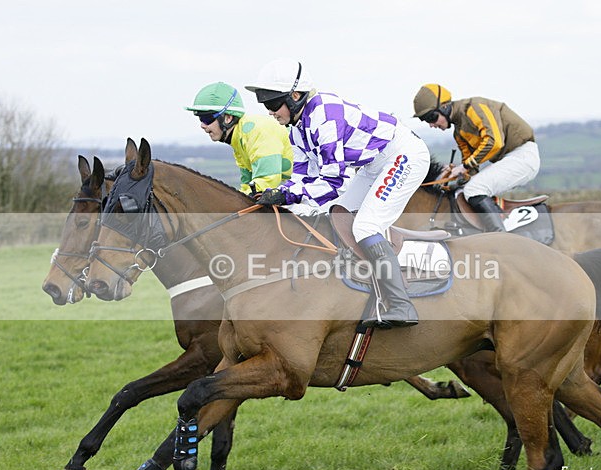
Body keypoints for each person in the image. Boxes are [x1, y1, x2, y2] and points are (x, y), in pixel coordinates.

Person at [245, 59, 430, 328]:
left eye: (273, 104)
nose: (270, 112)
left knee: (366, 226)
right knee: (337, 214)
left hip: (402, 155)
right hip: (371, 165)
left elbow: (333, 182)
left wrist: (289, 195)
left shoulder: (324, 116)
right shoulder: (296, 129)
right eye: (265, 105)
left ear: (295, 97)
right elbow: (301, 178)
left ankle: (402, 306)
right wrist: (276, 193)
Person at [413, 84, 540, 233]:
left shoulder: (474, 107)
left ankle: (502, 238)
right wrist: (454, 175)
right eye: (425, 120)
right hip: (508, 160)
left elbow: (495, 141)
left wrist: (464, 166)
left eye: (432, 117)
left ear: (445, 107)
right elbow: (471, 170)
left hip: (523, 156)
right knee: (465, 189)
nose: (431, 125)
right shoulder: (459, 134)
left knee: (475, 189)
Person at [185, 82, 293, 196]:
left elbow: (267, 183)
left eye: (206, 118)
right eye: (200, 119)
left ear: (228, 117)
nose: (202, 125)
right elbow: (248, 185)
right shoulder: (238, 138)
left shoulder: (256, 131)